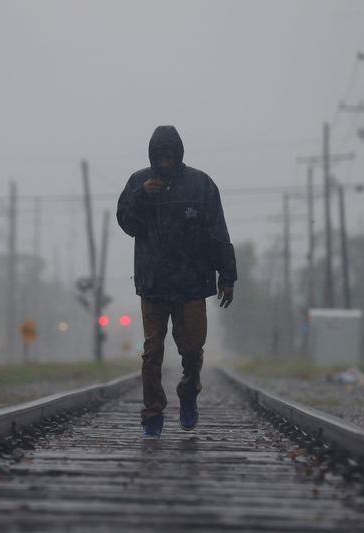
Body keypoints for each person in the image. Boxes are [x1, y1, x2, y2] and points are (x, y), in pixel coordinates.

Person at [116, 125, 237, 440]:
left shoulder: (200, 185)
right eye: (160, 156)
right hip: (153, 284)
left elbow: (217, 233)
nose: (165, 162)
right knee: (152, 352)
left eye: (170, 156)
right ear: (152, 157)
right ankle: (152, 412)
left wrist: (227, 275)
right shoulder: (138, 183)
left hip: (191, 285)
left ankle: (188, 391)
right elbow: (126, 222)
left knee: (193, 348)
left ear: (179, 155)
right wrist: (142, 196)